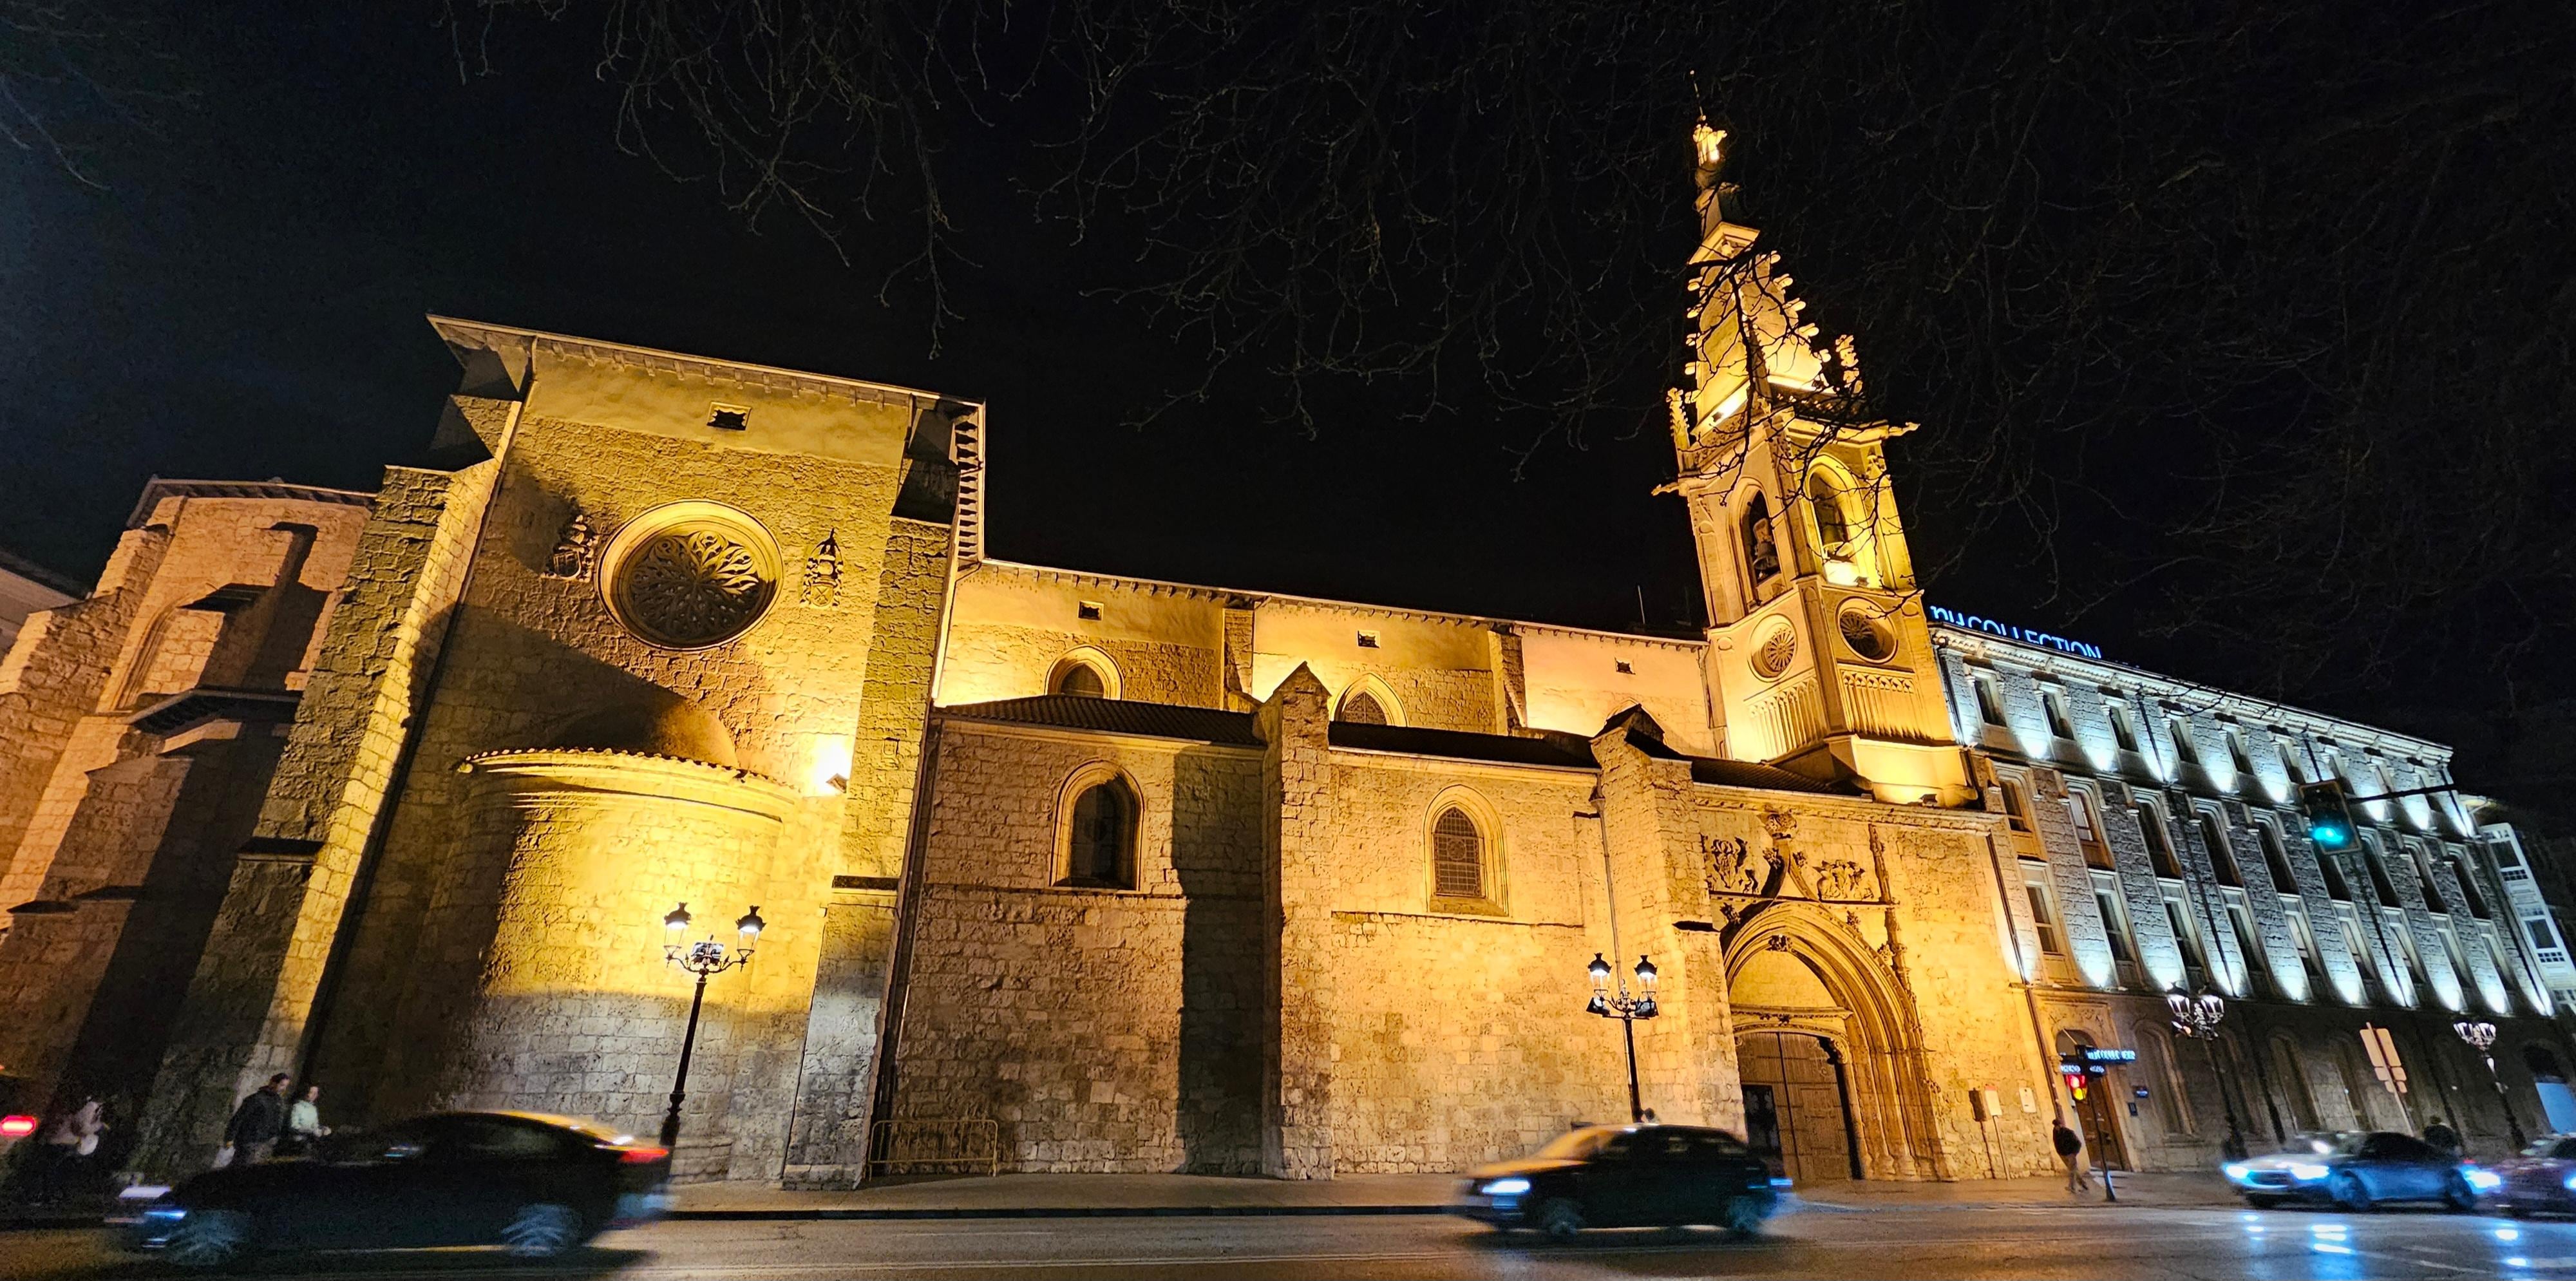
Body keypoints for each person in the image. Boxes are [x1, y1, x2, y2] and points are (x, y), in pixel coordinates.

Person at [223, 1074, 291, 1166]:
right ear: (273, 1083)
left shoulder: (278, 1101)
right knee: (240, 1166)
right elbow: (239, 1118)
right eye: (282, 1085)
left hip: (265, 1141)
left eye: (286, 1086)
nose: (284, 1089)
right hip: (250, 1141)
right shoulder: (257, 1099)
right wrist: (230, 1137)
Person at [279, 1084, 330, 1157]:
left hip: (309, 1141)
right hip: (297, 1142)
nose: (313, 1095)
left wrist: (322, 1129)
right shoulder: (297, 1107)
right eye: (311, 1092)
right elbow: (294, 1126)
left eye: (315, 1094)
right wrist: (312, 1131)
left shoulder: (313, 1109)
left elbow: (315, 1125)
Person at [2053, 1118, 2091, 1193]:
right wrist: (2059, 1152)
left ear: (2061, 1125)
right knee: (2074, 1170)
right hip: (2063, 1153)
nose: (2056, 1127)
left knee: (2071, 1171)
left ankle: (2072, 1187)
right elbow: (2056, 1142)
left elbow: (2078, 1143)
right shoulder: (2055, 1132)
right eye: (2055, 1126)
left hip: (2071, 1154)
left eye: (2057, 1125)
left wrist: (2074, 1153)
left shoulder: (2069, 1132)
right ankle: (2084, 1184)